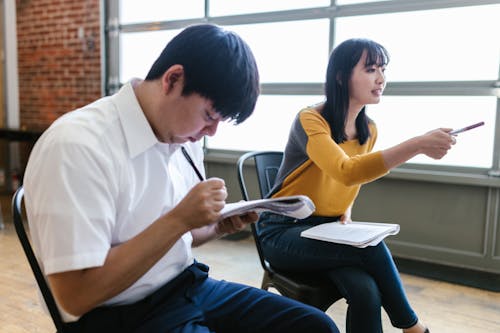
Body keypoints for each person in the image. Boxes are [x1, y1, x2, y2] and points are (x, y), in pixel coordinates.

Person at [23, 24, 339, 333]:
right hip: (117, 313)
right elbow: (76, 296)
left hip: (184, 286)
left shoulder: (182, 138)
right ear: (173, 79)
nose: (211, 132)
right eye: (209, 115)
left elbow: (174, 238)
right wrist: (179, 219)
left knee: (315, 325)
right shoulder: (78, 146)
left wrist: (214, 226)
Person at [257, 38, 456, 333]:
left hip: (327, 231)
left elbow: (350, 180)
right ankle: (412, 327)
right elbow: (345, 171)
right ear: (341, 76)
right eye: (370, 69)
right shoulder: (311, 119)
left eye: (383, 69)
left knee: (366, 291)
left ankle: (410, 326)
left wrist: (345, 209)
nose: (381, 78)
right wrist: (417, 144)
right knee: (371, 248)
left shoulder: (369, 129)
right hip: (282, 232)